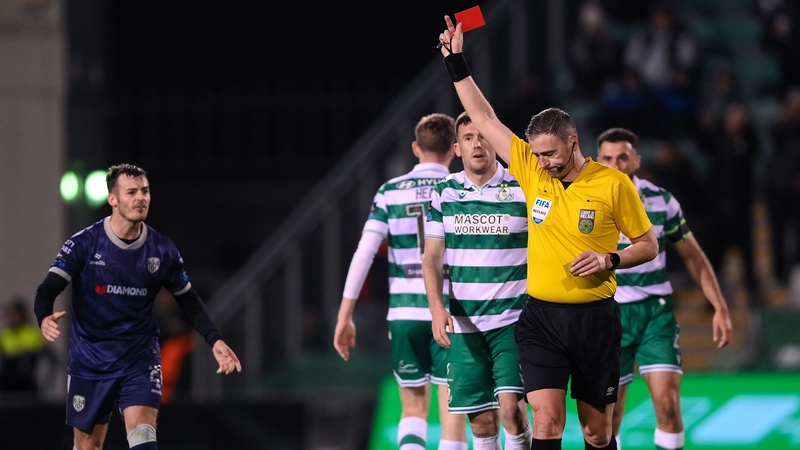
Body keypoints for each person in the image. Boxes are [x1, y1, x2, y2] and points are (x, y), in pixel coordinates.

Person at [437, 17, 658, 450]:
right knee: (546, 418)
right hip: (540, 320)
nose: (542, 162)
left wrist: (609, 259)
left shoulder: (612, 184)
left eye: (550, 153)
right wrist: (455, 60)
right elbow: (483, 115)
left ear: (573, 142)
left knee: (597, 432)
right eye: (536, 154)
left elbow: (648, 245)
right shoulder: (529, 168)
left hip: (595, 319)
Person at [33, 163, 241, 450]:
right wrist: (43, 315)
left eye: (145, 191)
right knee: (87, 447)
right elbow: (47, 289)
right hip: (91, 360)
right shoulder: (84, 244)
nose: (140, 198)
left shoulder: (162, 250)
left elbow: (188, 300)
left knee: (143, 436)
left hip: (139, 359)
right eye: (131, 192)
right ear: (112, 199)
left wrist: (214, 339)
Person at [333, 113, 467, 450]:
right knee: (453, 413)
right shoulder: (460, 188)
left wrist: (344, 314)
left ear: (415, 147)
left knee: (413, 409)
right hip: (453, 313)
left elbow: (364, 253)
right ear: (454, 149)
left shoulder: (390, 192)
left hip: (405, 313)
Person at [596, 128, 733, 450]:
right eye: (607, 158)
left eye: (623, 157)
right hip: (605, 313)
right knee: (607, 419)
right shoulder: (583, 200)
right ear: (597, 160)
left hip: (654, 314)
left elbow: (694, 258)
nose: (615, 164)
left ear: (637, 160)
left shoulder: (661, 201)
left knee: (669, 406)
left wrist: (720, 307)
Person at [423, 112, 532, 450]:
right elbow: (431, 258)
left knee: (512, 410)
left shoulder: (522, 188)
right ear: (457, 148)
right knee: (482, 423)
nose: (478, 143)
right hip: (463, 324)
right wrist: (436, 308)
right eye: (469, 138)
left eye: (484, 135)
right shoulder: (443, 192)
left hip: (513, 321)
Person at [0, 296, 49, 395]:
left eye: (14, 314)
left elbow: (41, 354)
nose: (11, 318)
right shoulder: (5, 334)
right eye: (8, 314)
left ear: (21, 314)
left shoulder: (32, 332)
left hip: (27, 381)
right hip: (7, 383)